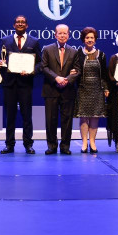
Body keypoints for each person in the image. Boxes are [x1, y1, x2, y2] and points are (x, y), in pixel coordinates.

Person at [0, 15, 40, 154]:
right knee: (10, 115)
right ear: (14, 25)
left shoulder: (34, 41)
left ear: (27, 25)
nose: (20, 24)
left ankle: (28, 144)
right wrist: (1, 64)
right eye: (18, 22)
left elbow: (40, 63)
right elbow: (2, 58)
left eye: (23, 22)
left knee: (27, 115)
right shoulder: (6, 40)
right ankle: (9, 144)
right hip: (9, 83)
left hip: (25, 84)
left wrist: (30, 71)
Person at [41, 24, 80, 155]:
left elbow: (77, 70)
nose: (62, 35)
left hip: (68, 90)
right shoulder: (47, 49)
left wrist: (67, 79)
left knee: (67, 120)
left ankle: (65, 146)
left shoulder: (74, 52)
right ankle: (51, 146)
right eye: (60, 33)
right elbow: (44, 67)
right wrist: (56, 78)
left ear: (69, 35)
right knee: (50, 119)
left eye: (65, 33)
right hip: (51, 89)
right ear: (55, 35)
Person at [73, 26, 109, 153]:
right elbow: (75, 70)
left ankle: (92, 142)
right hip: (83, 89)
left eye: (92, 38)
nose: (89, 40)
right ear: (83, 39)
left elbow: (104, 74)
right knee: (83, 117)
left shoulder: (102, 55)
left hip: (97, 89)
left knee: (95, 117)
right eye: (87, 37)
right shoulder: (77, 54)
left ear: (95, 39)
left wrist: (105, 88)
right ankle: (84, 143)